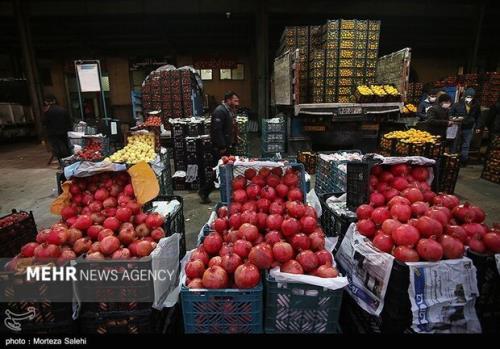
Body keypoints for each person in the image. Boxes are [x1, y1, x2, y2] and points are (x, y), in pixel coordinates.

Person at [198, 91, 240, 204]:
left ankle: (226, 193)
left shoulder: (228, 110)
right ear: (228, 100)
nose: (237, 103)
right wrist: (221, 146)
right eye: (235, 101)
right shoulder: (220, 111)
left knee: (224, 170)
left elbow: (229, 127)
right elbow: (217, 130)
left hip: (227, 145)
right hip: (221, 147)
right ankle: (204, 191)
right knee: (219, 171)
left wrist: (235, 138)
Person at [449, 88, 481, 165]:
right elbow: (450, 115)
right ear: (464, 96)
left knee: (466, 145)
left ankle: (463, 161)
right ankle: (452, 160)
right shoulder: (457, 105)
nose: (469, 98)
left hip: (469, 127)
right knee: (455, 144)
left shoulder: (476, 105)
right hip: (457, 127)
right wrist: (455, 118)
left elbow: (478, 116)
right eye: (468, 96)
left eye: (471, 97)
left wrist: (478, 127)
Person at [41, 95, 72, 167]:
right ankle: (68, 162)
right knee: (66, 147)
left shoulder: (48, 111)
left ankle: (62, 164)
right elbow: (69, 121)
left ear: (47, 102)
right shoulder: (63, 109)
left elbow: (44, 122)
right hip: (64, 132)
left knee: (58, 149)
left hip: (53, 133)